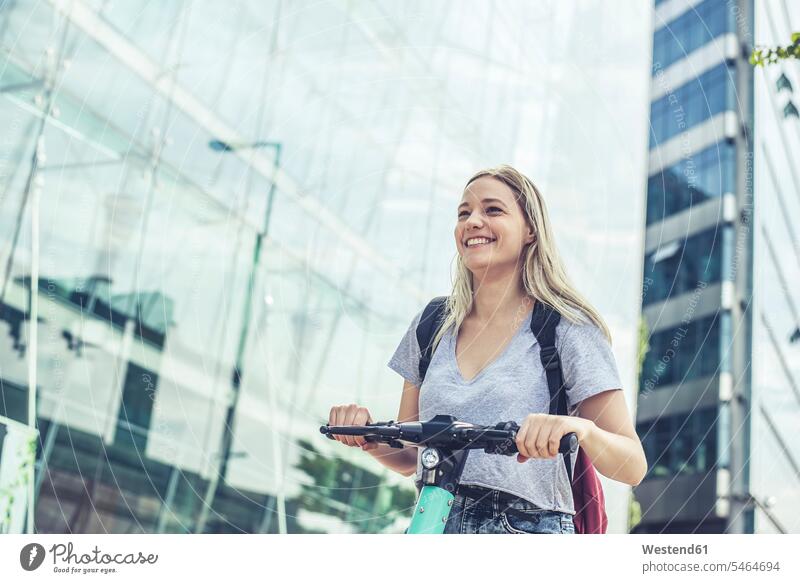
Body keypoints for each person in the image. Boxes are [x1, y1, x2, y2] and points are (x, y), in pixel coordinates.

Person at [328, 164, 647, 534]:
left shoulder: (568, 328)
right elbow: (412, 454)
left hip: (529, 529)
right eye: (464, 213)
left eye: (492, 210)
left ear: (530, 230)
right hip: (432, 521)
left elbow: (632, 464)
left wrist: (579, 429)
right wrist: (366, 434)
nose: (473, 221)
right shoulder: (432, 324)